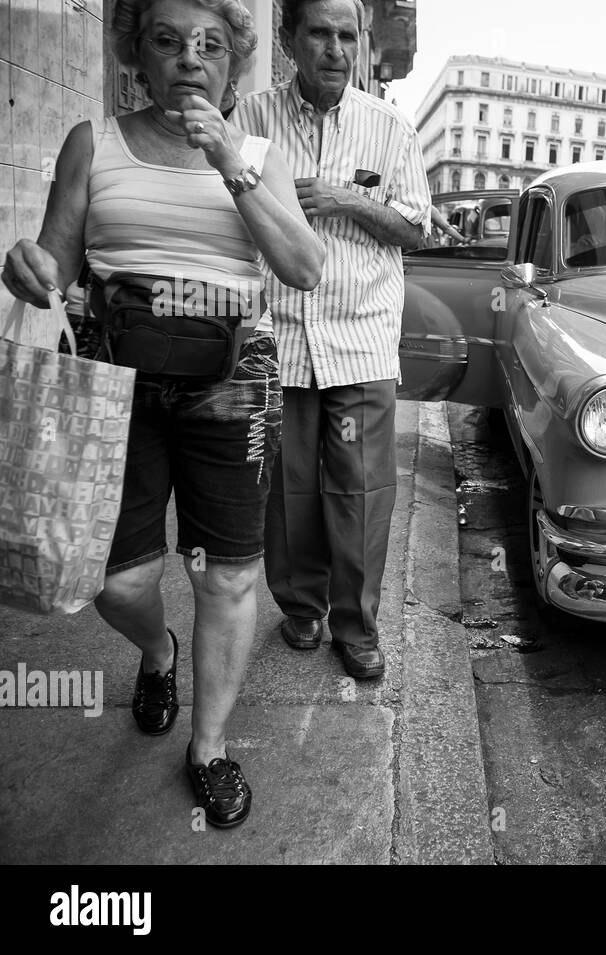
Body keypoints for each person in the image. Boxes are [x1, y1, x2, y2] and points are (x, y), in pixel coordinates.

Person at [2, 0, 323, 829]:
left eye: (213, 46)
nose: (191, 58)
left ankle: (209, 746)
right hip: (115, 382)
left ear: (234, 66)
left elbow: (302, 267)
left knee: (228, 575)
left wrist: (229, 162)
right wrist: (23, 268)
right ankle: (157, 650)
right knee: (116, 578)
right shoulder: (94, 141)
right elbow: (53, 267)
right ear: (136, 54)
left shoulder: (256, 153)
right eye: (169, 41)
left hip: (231, 384)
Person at [236, 0, 432, 681]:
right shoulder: (251, 120)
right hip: (280, 339)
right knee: (287, 493)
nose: (335, 49)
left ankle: (357, 625)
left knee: (360, 491)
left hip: (361, 341)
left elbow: (417, 229)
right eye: (319, 33)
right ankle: (300, 607)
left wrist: (345, 199)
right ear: (289, 39)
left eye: (347, 34)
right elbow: (223, 215)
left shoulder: (391, 128)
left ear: (362, 40)